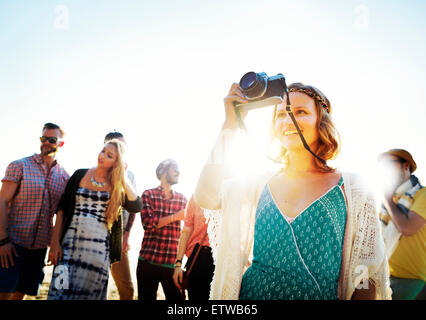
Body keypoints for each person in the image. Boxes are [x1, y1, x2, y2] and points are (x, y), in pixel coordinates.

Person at [194, 81, 391, 300]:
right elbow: (205, 196)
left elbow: (366, 273)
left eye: (301, 112)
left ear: (321, 121)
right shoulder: (257, 184)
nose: (288, 120)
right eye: (280, 115)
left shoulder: (354, 188)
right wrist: (229, 123)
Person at [47, 139, 141, 300]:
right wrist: (55, 243)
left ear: (116, 163)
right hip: (69, 247)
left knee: (89, 295)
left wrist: (123, 176)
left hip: (98, 253)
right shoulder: (79, 174)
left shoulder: (117, 186)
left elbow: (136, 206)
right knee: (59, 292)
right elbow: (61, 209)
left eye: (109, 155)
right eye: (103, 151)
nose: (102, 155)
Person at [0, 122, 69, 300]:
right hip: (12, 243)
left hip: (38, 248)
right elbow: (2, 201)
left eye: (52, 140)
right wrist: (2, 240)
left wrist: (55, 244)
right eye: (43, 138)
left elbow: (60, 214)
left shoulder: (64, 177)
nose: (46, 142)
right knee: (3, 292)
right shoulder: (19, 166)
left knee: (21, 293)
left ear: (60, 144)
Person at [378, 149, 426, 300]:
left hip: (414, 282)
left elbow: (407, 227)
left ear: (406, 166)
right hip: (384, 278)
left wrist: (387, 200)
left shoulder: (422, 194)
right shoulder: (386, 203)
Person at [137, 159, 187, 301]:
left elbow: (188, 230)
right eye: (175, 168)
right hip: (147, 264)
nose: (179, 172)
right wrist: (176, 216)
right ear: (163, 171)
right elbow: (148, 224)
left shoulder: (182, 199)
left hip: (172, 265)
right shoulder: (148, 194)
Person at [104, 131, 138, 300]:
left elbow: (134, 207)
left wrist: (127, 235)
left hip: (118, 238)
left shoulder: (129, 175)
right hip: (96, 237)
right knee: (99, 287)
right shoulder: (93, 172)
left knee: (127, 289)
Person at [172, 195, 215, 300]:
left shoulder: (232, 195)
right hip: (197, 259)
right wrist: (178, 264)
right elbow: (186, 231)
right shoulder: (197, 196)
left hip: (222, 259)